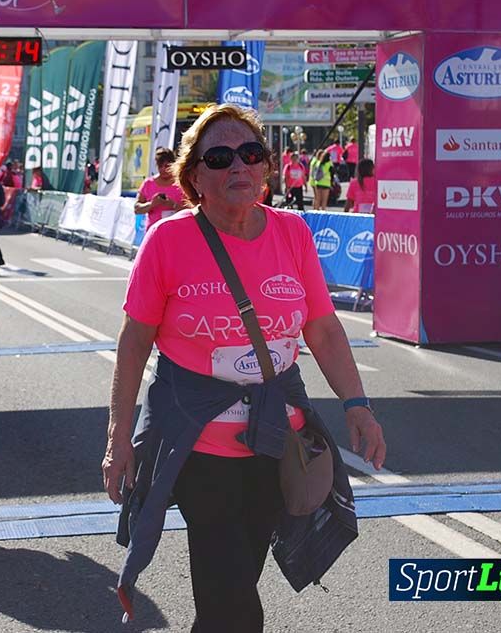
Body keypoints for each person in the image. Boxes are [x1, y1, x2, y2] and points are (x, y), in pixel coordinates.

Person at [102, 104, 385, 633]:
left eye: (251, 153)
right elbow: (135, 339)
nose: (238, 165)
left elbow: (322, 329)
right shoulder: (168, 240)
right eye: (220, 156)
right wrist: (119, 434)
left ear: (266, 167)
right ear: (195, 177)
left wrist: (358, 406)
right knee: (229, 590)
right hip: (196, 445)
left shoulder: (293, 233)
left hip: (275, 440)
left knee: (233, 586)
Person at [135, 146, 184, 231]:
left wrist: (173, 205)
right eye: (160, 166)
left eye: (167, 166)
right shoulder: (148, 183)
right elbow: (137, 209)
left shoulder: (181, 184)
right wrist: (152, 204)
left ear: (173, 165)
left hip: (175, 232)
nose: (163, 169)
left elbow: (192, 210)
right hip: (153, 233)